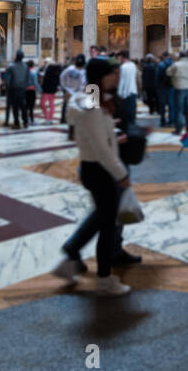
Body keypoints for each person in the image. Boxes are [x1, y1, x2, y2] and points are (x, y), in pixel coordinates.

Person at [52, 58, 137, 296]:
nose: (118, 78)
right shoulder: (92, 106)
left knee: (101, 219)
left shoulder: (93, 102)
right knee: (107, 226)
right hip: (100, 170)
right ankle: (104, 279)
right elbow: (101, 149)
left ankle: (68, 262)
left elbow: (96, 137)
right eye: (114, 74)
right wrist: (121, 174)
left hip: (94, 167)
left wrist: (113, 136)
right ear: (103, 76)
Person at [168, 51, 188, 134]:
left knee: (179, 109)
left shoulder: (176, 64)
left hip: (179, 87)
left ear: (179, 56)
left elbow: (168, 72)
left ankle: (179, 129)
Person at [59, 55, 85, 131]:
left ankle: (69, 121)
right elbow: (81, 83)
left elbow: (61, 78)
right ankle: (66, 120)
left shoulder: (70, 69)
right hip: (71, 91)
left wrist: (64, 87)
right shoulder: (74, 70)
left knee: (70, 106)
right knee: (70, 106)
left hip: (71, 91)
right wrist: (65, 88)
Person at [4, 51, 29, 129]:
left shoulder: (11, 66)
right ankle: (25, 122)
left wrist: (6, 87)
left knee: (15, 107)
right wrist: (25, 86)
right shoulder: (26, 66)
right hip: (22, 88)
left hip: (13, 89)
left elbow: (7, 78)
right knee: (23, 106)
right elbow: (27, 78)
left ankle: (17, 123)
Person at [116, 49, 139, 128]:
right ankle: (132, 129)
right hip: (133, 91)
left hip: (125, 93)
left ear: (123, 57)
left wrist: (119, 93)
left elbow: (122, 81)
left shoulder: (123, 67)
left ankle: (128, 130)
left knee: (126, 114)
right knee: (132, 113)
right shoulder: (133, 65)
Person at [39, 57, 61, 123]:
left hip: (46, 89)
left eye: (46, 62)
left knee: (42, 104)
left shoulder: (49, 69)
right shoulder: (55, 69)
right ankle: (50, 118)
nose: (45, 63)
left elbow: (46, 79)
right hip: (52, 89)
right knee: (51, 104)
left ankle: (47, 118)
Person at [23, 59, 39, 126]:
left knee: (26, 106)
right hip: (32, 90)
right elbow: (35, 82)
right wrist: (39, 89)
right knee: (31, 107)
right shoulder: (33, 72)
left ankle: (25, 120)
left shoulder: (24, 72)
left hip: (25, 90)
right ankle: (32, 120)